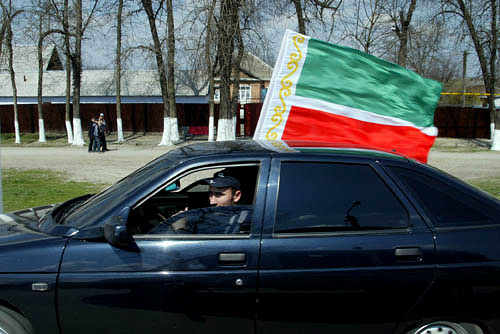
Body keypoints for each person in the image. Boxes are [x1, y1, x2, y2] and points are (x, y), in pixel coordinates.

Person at [153, 171, 250, 234]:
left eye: (219, 195)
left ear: (236, 196)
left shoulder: (239, 222)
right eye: (210, 194)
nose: (211, 201)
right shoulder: (219, 214)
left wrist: (179, 226)